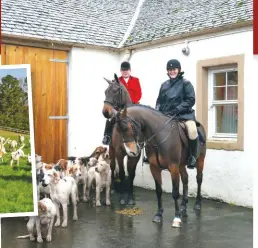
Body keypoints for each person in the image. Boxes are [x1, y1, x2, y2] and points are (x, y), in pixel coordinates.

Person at [144, 59, 198, 169]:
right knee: (151, 129)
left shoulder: (186, 83)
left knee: (192, 131)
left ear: (179, 70)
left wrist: (177, 109)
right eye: (170, 70)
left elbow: (191, 100)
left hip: (184, 115)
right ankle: (150, 155)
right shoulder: (164, 85)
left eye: (174, 69)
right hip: (166, 116)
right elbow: (159, 101)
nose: (172, 71)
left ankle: (192, 157)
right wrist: (157, 112)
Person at [102, 61, 142, 145]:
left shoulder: (135, 80)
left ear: (130, 70)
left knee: (143, 118)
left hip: (133, 105)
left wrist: (131, 102)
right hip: (119, 107)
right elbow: (113, 95)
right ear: (121, 71)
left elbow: (139, 94)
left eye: (127, 70)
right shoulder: (116, 81)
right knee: (110, 117)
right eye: (123, 70)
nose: (125, 72)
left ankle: (142, 140)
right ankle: (107, 136)